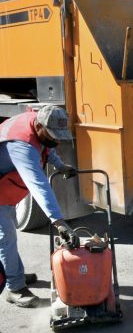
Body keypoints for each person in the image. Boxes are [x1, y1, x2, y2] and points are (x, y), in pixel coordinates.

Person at [0, 105, 79, 308]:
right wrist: (59, 222)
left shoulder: (39, 122)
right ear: (39, 126)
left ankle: (12, 272)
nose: (56, 141)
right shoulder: (22, 146)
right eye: (53, 136)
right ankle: (14, 288)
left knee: (8, 235)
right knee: (5, 237)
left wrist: (60, 165)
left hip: (5, 190)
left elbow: (46, 146)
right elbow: (39, 185)